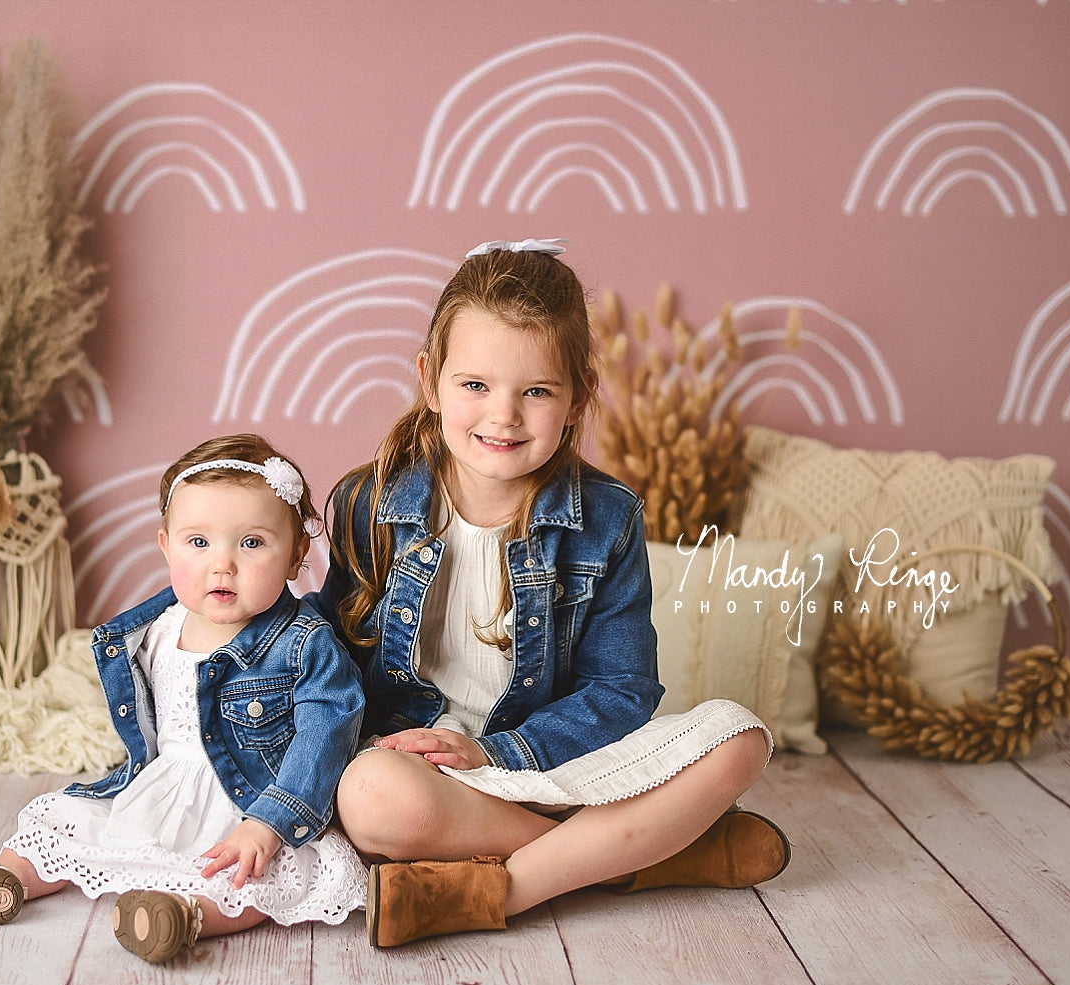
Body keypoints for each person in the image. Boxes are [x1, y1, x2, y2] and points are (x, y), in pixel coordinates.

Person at [310, 239, 791, 948]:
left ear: (576, 399)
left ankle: (501, 890)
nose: (502, 415)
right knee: (370, 797)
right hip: (427, 776)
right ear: (430, 378)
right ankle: (645, 853)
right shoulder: (368, 501)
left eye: (535, 390)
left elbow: (623, 689)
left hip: (551, 762)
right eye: (475, 384)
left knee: (742, 737)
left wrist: (504, 754)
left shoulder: (607, 517)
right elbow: (331, 658)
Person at [0, 434, 367, 964]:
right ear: (166, 546)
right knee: (66, 822)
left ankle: (186, 916)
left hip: (249, 801)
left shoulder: (305, 644)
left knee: (255, 878)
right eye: (198, 542)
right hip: (158, 786)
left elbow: (326, 735)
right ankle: (4, 879)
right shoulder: (156, 627)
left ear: (298, 554)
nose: (222, 564)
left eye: (251, 543)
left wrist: (271, 822)